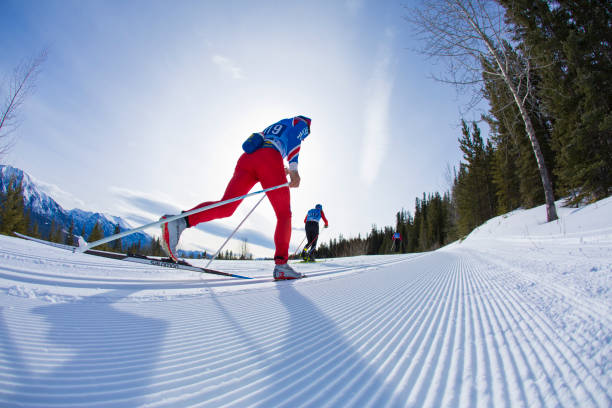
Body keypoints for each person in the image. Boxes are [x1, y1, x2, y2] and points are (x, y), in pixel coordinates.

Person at [160, 115, 312, 280]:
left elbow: (267, 146)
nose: (304, 137)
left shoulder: (275, 125)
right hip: (269, 158)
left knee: (226, 206)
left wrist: (277, 167)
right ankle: (281, 266)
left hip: (247, 159)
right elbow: (293, 138)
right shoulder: (302, 123)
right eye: (306, 135)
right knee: (284, 214)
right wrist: (294, 169)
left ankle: (180, 221)